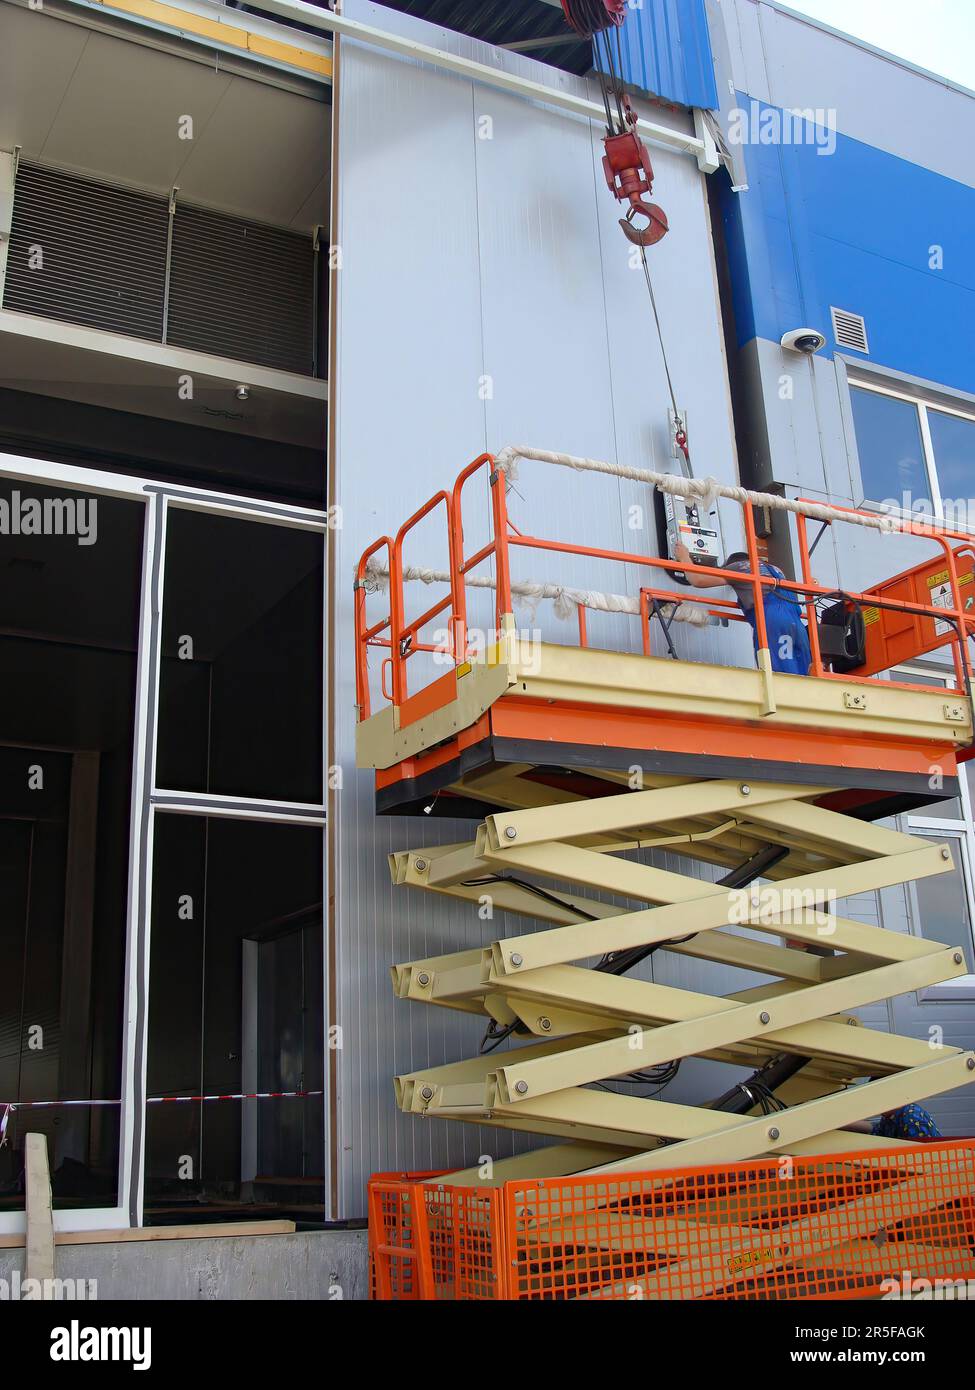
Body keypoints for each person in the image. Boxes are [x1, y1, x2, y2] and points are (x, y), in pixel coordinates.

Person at [674, 543, 812, 675]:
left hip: (772, 622)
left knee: (775, 676)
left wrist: (684, 557)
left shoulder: (739, 567)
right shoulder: (775, 570)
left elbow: (698, 580)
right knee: (802, 676)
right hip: (797, 624)